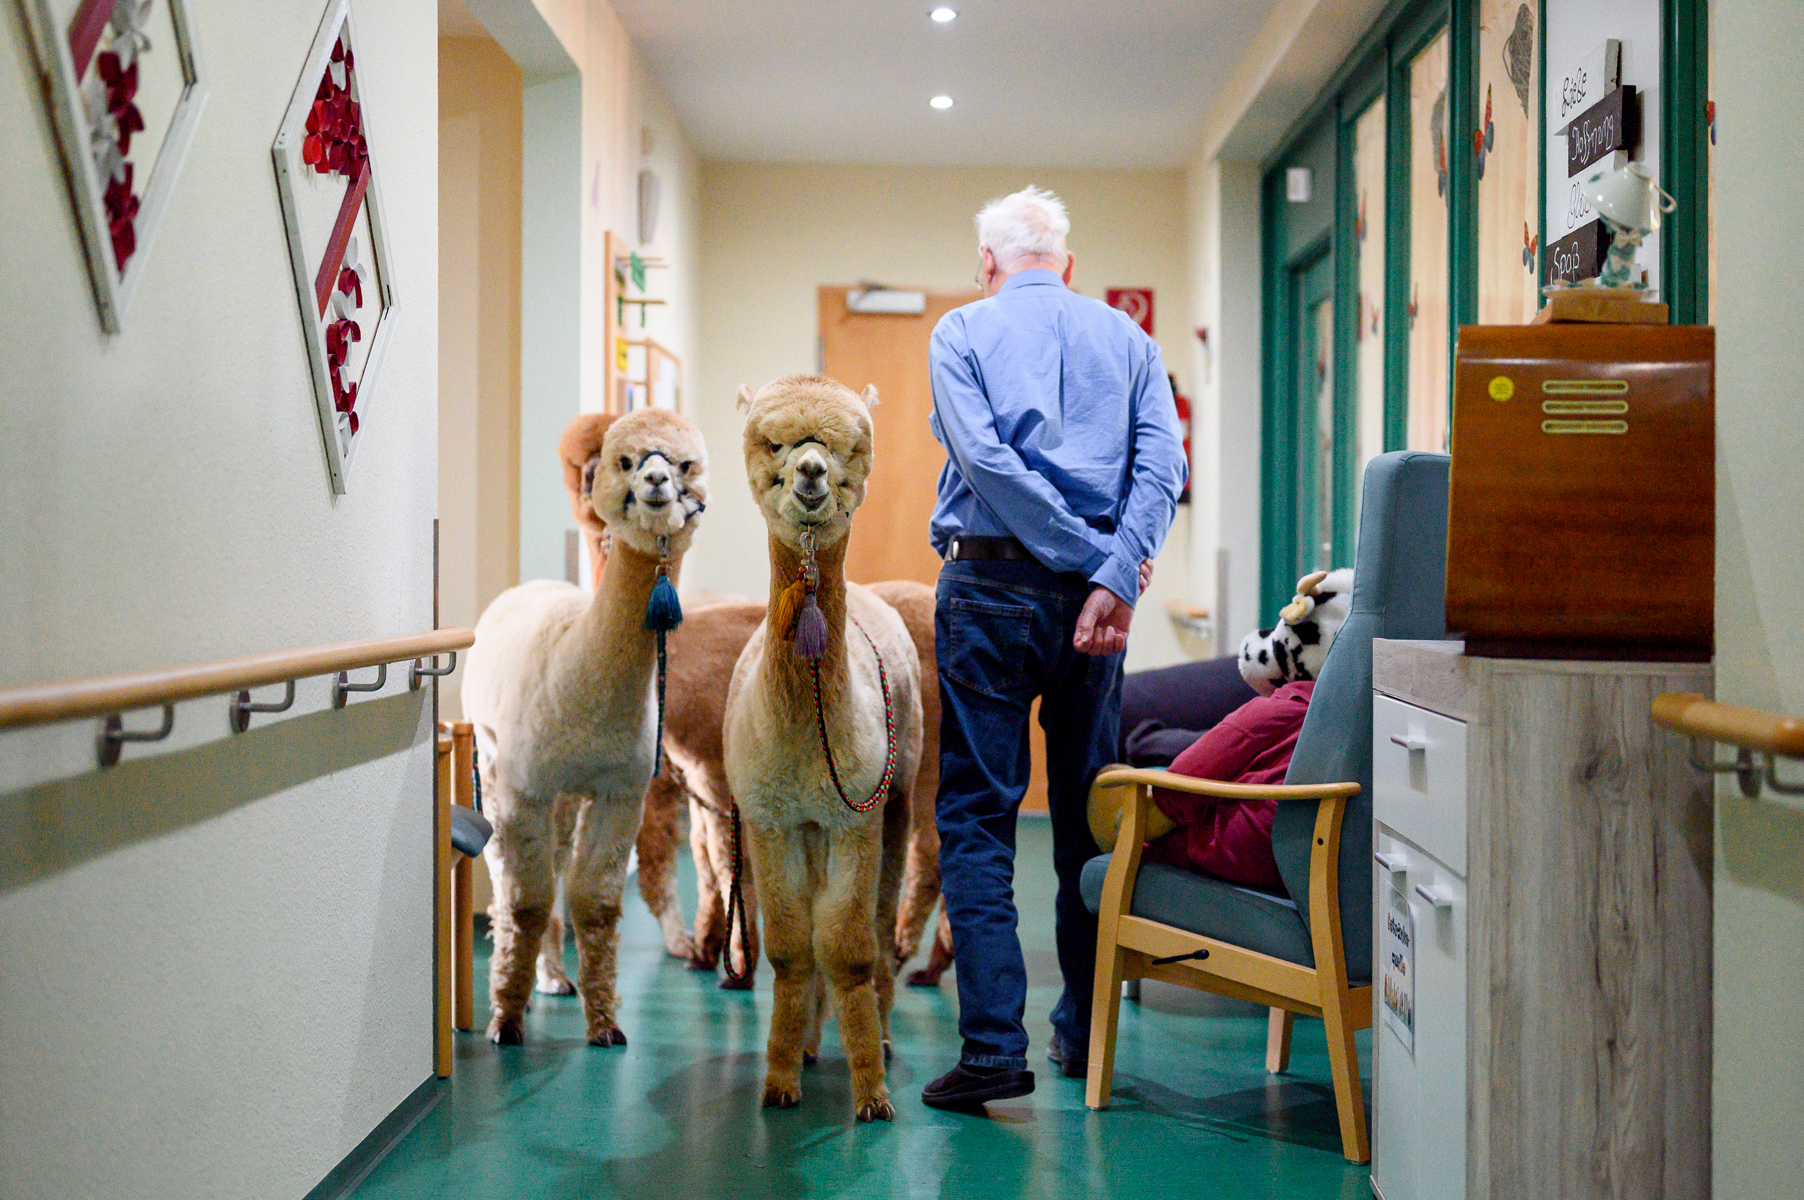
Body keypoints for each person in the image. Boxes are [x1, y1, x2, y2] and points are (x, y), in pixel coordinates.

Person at [920, 185, 1188, 1109]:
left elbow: (986, 462)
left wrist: (1086, 559)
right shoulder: (1131, 339)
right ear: (1068, 267)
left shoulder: (960, 332)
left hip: (989, 589)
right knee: (1085, 817)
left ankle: (995, 1050)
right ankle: (1083, 1038)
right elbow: (1164, 464)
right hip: (1098, 608)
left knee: (977, 816)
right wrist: (1111, 572)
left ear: (987, 265)